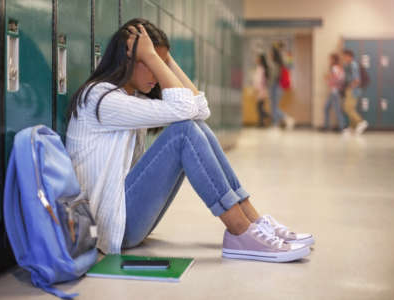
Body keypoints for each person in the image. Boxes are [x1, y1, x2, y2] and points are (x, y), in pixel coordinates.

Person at [66, 18, 314, 263]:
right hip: (108, 228)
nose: (157, 73)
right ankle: (240, 230)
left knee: (195, 126)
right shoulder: (100, 99)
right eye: (150, 63)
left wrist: (162, 58)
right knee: (183, 132)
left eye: (162, 64)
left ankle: (253, 222)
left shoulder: (132, 99)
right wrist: (154, 57)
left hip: (123, 218)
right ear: (127, 59)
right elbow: (185, 109)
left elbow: (200, 109)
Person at [342, 49, 368, 135]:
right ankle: (352, 127)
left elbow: (357, 80)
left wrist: (350, 87)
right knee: (349, 108)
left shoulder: (353, 65)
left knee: (348, 108)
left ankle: (361, 122)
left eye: (345, 56)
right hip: (349, 89)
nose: (344, 58)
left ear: (350, 57)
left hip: (353, 90)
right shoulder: (347, 65)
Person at [269, 45, 295, 130]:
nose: (270, 54)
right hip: (276, 86)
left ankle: (288, 118)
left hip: (276, 86)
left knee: (275, 107)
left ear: (274, 54)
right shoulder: (277, 63)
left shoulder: (277, 64)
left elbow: (275, 77)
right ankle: (275, 124)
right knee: (273, 106)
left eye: (271, 53)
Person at [323, 53, 345, 132]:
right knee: (326, 108)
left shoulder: (335, 67)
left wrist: (328, 78)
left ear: (334, 59)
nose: (329, 61)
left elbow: (338, 79)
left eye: (330, 59)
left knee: (337, 110)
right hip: (334, 91)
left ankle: (341, 127)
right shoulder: (338, 68)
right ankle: (326, 126)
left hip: (335, 91)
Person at [252, 54, 269, 127]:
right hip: (261, 90)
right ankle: (261, 123)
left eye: (258, 58)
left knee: (259, 107)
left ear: (261, 60)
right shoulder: (261, 68)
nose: (256, 59)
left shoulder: (261, 68)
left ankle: (267, 117)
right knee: (260, 107)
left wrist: (257, 89)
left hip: (260, 90)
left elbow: (259, 80)